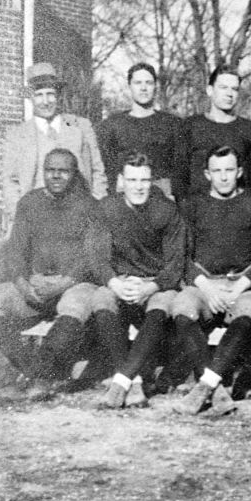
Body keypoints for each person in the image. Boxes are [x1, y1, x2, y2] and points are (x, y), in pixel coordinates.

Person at [0, 149, 110, 396]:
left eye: (63, 171)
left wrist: (62, 284)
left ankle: (42, 377)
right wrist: (23, 285)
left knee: (75, 306)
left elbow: (93, 257)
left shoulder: (90, 206)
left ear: (74, 173)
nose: (55, 176)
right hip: (35, 284)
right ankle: (34, 369)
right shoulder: (29, 202)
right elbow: (15, 250)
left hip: (74, 283)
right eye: (50, 170)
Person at [172, 146, 251, 416]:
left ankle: (204, 386)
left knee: (248, 314)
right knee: (182, 309)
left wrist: (241, 285)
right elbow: (180, 255)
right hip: (204, 285)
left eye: (229, 170)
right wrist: (206, 288)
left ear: (239, 172)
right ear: (207, 174)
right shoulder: (192, 205)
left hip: (240, 285)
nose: (223, 177)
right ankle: (217, 389)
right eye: (217, 171)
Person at [96, 153, 187, 409]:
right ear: (121, 181)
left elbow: (176, 263)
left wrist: (151, 287)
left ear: (152, 182)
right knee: (101, 299)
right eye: (132, 180)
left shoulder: (166, 210)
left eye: (144, 180)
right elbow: (96, 257)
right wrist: (114, 283)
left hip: (156, 283)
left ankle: (121, 381)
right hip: (122, 281)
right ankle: (133, 381)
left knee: (161, 306)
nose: (138, 187)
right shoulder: (106, 208)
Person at [2, 62, 106, 221]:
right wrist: (20, 219)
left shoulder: (81, 127)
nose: (45, 101)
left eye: (50, 94)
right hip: (35, 220)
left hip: (78, 217)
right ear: (30, 98)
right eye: (39, 95)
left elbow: (98, 172)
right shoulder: (17, 135)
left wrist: (95, 211)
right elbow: (10, 181)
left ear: (58, 95)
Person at [96, 62, 188, 201]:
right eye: (138, 83)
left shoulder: (173, 124)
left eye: (149, 83)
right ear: (129, 86)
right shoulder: (112, 125)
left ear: (155, 86)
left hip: (162, 198)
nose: (143, 88)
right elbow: (107, 169)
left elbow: (180, 170)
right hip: (124, 199)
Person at [183, 66, 251, 196]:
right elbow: (179, 177)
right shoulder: (190, 126)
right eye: (223, 87)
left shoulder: (249, 130)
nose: (229, 94)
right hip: (196, 205)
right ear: (210, 90)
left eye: (234, 89)